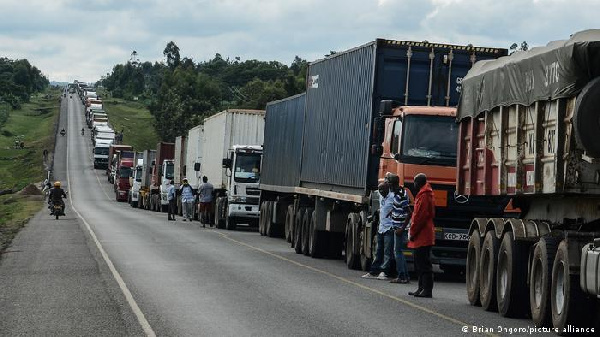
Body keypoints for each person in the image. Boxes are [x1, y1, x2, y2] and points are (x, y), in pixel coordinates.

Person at [407, 173, 436, 298]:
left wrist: (412, 232)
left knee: (423, 263)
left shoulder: (424, 195)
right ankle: (421, 288)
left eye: (415, 182)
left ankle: (427, 289)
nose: (413, 184)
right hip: (422, 233)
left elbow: (420, 217)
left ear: (420, 183)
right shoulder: (424, 194)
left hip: (422, 234)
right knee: (419, 263)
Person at [362, 181, 395, 280]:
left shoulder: (393, 197)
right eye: (379, 189)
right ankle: (373, 271)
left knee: (387, 251)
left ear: (387, 189)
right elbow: (381, 208)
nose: (380, 191)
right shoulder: (381, 196)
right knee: (378, 251)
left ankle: (384, 272)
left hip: (389, 228)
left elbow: (399, 208)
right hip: (381, 228)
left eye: (382, 189)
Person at [386, 173, 412, 284]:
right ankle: (405, 276)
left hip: (399, 229)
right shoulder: (398, 193)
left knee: (397, 252)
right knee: (399, 252)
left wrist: (402, 228)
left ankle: (401, 276)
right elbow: (399, 207)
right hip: (397, 226)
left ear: (392, 184)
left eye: (389, 184)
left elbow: (409, 213)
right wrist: (392, 212)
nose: (388, 186)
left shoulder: (400, 195)